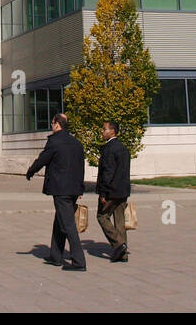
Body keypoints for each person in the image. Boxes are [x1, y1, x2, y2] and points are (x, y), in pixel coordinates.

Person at [25, 112, 87, 271]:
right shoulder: (76, 143)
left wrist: (31, 171)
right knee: (60, 220)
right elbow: (80, 167)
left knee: (68, 224)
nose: (52, 126)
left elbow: (43, 159)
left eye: (52, 123)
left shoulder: (55, 142)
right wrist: (80, 187)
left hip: (61, 188)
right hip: (73, 188)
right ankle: (56, 255)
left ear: (57, 124)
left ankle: (79, 262)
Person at [95, 120, 131, 262]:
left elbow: (107, 172)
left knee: (102, 217)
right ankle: (123, 254)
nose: (102, 132)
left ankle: (119, 246)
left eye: (104, 129)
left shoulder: (109, 149)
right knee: (120, 221)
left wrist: (103, 193)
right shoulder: (123, 148)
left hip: (111, 191)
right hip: (123, 190)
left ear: (112, 131)